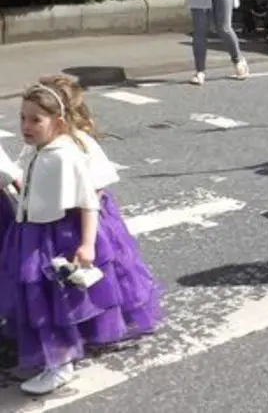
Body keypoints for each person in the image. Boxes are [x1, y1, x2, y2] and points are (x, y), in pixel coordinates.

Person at [0, 79, 161, 395]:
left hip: (54, 235)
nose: (26, 126)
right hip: (33, 231)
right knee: (46, 299)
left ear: (58, 121)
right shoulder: (42, 149)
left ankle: (60, 364)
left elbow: (89, 200)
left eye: (35, 119)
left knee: (52, 301)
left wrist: (87, 243)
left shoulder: (65, 154)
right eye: (22, 118)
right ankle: (58, 355)